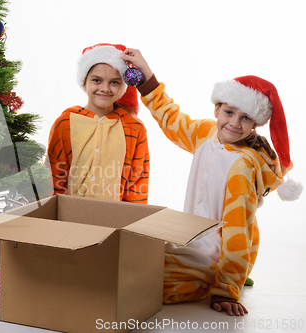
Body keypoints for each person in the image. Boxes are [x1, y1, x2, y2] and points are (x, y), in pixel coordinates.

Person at [120, 48, 302, 316]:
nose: (234, 124)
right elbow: (171, 119)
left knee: (140, 285)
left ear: (255, 125)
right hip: (190, 242)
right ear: (217, 108)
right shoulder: (207, 133)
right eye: (229, 112)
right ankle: (219, 275)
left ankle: (219, 279)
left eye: (246, 118)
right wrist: (146, 74)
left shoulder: (242, 166)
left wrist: (227, 287)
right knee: (130, 260)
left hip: (216, 256)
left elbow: (239, 230)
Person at [47, 43, 150, 203]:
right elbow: (53, 180)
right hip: (70, 221)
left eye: (114, 82)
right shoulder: (65, 123)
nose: (105, 88)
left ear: (123, 86)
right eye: (97, 80)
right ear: (84, 82)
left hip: (114, 222)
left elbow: (137, 186)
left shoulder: (134, 129)